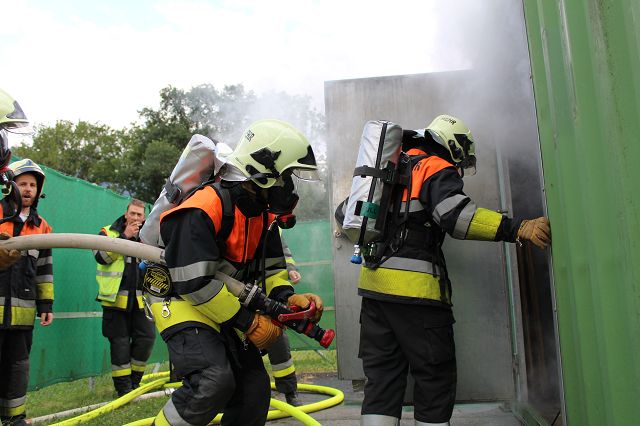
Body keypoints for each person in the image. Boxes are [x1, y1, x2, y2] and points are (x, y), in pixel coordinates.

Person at [357, 114, 551, 426]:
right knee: (434, 379)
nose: (460, 167)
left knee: (382, 380)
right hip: (417, 297)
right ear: (454, 146)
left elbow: (347, 213)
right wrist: (517, 227)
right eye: (462, 159)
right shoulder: (433, 167)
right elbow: (459, 218)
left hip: (374, 294)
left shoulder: (388, 169)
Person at [147, 119, 324, 426]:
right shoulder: (205, 206)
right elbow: (193, 282)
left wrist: (288, 298)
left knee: (254, 390)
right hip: (178, 298)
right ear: (262, 170)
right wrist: (249, 322)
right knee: (212, 381)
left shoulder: (263, 214)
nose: (289, 186)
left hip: (220, 302)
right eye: (286, 176)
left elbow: (272, 269)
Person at [0, 158, 54, 426]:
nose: (28, 189)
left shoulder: (42, 227)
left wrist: (46, 305)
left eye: (33, 185)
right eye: (22, 183)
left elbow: (44, 270)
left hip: (23, 315)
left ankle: (15, 418)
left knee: (18, 368)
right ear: (11, 186)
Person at [94, 199, 156, 397]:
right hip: (114, 301)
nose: (136, 218)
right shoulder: (107, 232)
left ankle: (134, 384)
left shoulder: (148, 236)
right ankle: (123, 390)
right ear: (126, 214)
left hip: (142, 301)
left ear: (144, 218)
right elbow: (101, 257)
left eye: (139, 215)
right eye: (133, 213)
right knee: (119, 345)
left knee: (146, 339)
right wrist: (124, 237)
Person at [265, 234, 302, 406]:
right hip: (234, 295)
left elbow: (283, 253)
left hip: (266, 293)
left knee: (278, 340)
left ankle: (289, 391)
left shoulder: (272, 225)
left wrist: (290, 268)